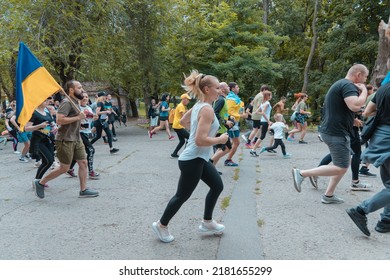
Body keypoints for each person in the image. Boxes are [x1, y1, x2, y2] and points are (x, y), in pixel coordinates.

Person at [152, 70, 229, 243]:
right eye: (218, 88)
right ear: (207, 89)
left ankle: (207, 222)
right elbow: (200, 140)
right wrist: (220, 138)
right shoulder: (206, 109)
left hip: (198, 158)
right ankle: (161, 225)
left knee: (217, 186)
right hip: (192, 159)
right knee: (182, 196)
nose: (221, 91)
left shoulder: (199, 106)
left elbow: (183, 122)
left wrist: (196, 128)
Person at [291, 64, 369, 204]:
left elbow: (344, 109)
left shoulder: (341, 84)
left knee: (343, 163)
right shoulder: (348, 85)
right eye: (365, 77)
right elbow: (354, 104)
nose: (364, 80)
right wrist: (364, 91)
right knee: (342, 167)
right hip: (336, 133)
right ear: (358, 74)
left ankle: (329, 195)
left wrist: (353, 120)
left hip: (333, 131)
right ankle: (302, 173)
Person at [32, 80, 99, 199]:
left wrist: (85, 119)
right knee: (64, 168)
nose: (82, 90)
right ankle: (40, 182)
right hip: (65, 139)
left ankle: (83, 190)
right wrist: (79, 117)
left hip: (76, 137)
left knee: (83, 162)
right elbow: (59, 120)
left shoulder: (75, 102)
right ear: (71, 90)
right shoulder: (67, 102)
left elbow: (74, 118)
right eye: (79, 87)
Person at [346, 82, 390, 236]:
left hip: (379, 137)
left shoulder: (384, 88)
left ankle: (386, 221)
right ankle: (361, 210)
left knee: (389, 185)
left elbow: (368, 111)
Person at [67, 92, 100, 179]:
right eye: (83, 97)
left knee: (78, 153)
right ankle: (91, 171)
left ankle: (69, 168)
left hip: (86, 132)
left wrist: (94, 118)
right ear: (79, 98)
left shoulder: (88, 107)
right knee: (91, 150)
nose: (85, 98)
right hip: (78, 133)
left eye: (86, 97)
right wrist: (79, 123)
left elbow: (90, 119)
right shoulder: (76, 108)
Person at [25, 98, 56, 185]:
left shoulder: (47, 112)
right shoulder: (34, 113)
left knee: (47, 161)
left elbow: (52, 124)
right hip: (38, 140)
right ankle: (37, 181)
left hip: (48, 139)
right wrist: (40, 126)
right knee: (49, 161)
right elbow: (27, 128)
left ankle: (38, 180)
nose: (47, 102)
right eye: (45, 100)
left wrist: (54, 127)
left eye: (47, 101)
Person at [210, 82, 234, 173]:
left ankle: (212, 169)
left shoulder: (223, 99)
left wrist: (229, 118)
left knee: (221, 148)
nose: (229, 88)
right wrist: (225, 121)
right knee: (227, 147)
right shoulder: (221, 100)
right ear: (223, 89)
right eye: (227, 86)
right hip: (220, 129)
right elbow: (214, 112)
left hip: (222, 128)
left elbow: (222, 113)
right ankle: (209, 163)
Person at [224, 82, 246, 166]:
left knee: (233, 143)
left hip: (236, 123)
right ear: (232, 89)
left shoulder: (236, 99)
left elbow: (238, 110)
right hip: (232, 123)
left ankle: (224, 156)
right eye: (237, 87)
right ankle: (227, 160)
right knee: (236, 143)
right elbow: (227, 113)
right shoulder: (230, 99)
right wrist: (240, 115)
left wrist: (242, 113)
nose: (239, 88)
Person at [249, 90, 273, 156]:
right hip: (265, 121)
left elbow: (256, 112)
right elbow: (263, 113)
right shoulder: (267, 103)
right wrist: (268, 121)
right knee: (262, 136)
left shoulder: (262, 103)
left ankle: (272, 146)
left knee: (265, 135)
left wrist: (256, 113)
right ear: (267, 96)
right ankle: (253, 150)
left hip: (262, 121)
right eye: (270, 95)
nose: (271, 96)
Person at [170, 93, 191, 158]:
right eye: (187, 99)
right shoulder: (181, 106)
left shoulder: (181, 105)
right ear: (184, 99)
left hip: (177, 126)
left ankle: (174, 154)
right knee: (190, 138)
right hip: (179, 126)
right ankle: (185, 154)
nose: (188, 101)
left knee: (182, 141)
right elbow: (183, 116)